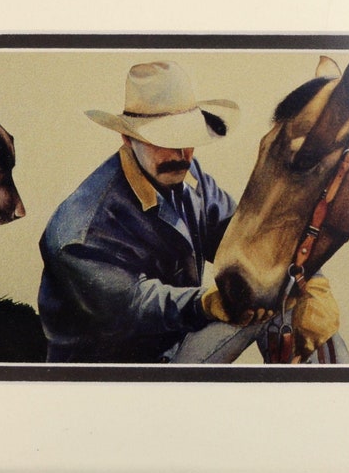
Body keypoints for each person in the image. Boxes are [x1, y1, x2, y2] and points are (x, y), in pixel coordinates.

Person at [37, 60, 240, 363]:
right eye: (165, 139)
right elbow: (134, 307)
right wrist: (205, 304)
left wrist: (309, 278)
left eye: (188, 137)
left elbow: (238, 235)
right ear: (127, 138)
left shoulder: (191, 178)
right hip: (106, 379)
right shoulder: (80, 229)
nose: (181, 154)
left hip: (177, 348)